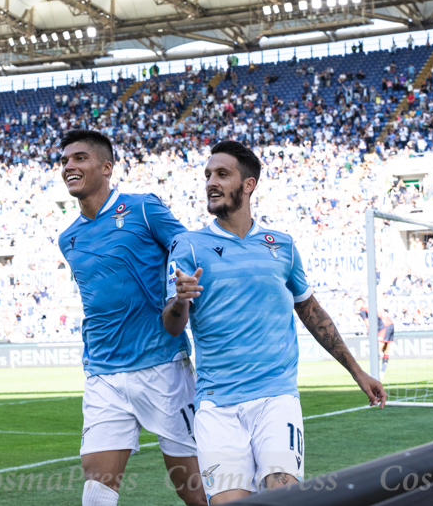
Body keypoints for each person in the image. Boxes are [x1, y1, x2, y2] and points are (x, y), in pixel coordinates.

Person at [163, 141, 386, 504]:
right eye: (207, 175)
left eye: (222, 174)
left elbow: (313, 313)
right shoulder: (187, 245)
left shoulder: (280, 245)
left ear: (248, 184)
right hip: (217, 406)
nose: (210, 183)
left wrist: (357, 372)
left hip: (276, 398)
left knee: (282, 498)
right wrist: (179, 300)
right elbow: (172, 325)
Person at [57, 129, 205, 506]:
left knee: (194, 490)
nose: (69, 166)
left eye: (79, 158)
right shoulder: (68, 238)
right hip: (103, 372)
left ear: (106, 167)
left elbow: (186, 245)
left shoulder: (141, 208)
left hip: (161, 364)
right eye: (64, 161)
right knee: (96, 492)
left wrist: (180, 286)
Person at [355, 298, 395, 380]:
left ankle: (374, 372)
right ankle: (382, 372)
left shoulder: (363, 310)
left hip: (384, 327)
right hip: (390, 324)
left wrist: (370, 333)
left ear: (360, 303)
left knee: (377, 351)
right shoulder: (369, 307)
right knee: (385, 351)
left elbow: (367, 323)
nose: (355, 306)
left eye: (356, 304)